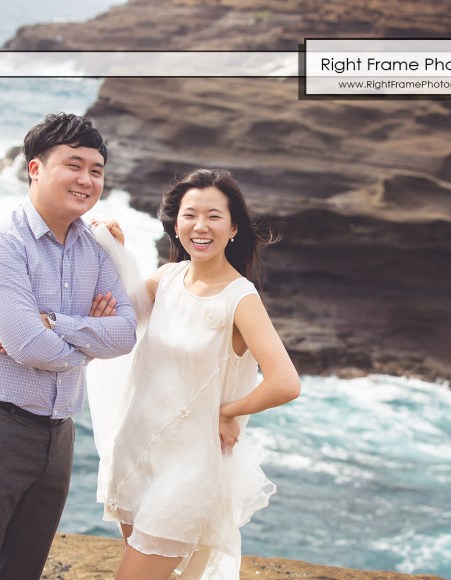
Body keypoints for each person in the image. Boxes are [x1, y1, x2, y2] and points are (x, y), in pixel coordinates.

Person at [0, 113, 137, 580]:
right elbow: (28, 347)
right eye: (74, 164)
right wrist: (84, 338)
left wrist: (51, 324)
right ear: (35, 168)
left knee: (21, 570)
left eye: (97, 170)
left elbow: (125, 334)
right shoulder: (2, 243)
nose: (87, 179)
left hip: (59, 432)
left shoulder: (98, 246)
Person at [90, 168, 301, 579]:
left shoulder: (240, 297)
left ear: (234, 227)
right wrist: (109, 244)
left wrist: (228, 413)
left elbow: (285, 382)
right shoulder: (165, 279)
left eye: (214, 216)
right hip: (138, 454)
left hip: (189, 471)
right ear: (175, 223)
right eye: (190, 215)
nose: (200, 226)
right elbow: (115, 310)